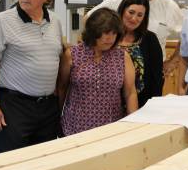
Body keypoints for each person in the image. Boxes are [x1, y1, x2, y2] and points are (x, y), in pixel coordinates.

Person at [0, 0, 64, 154]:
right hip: (15, 106)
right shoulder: (2, 21)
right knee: (11, 162)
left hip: (47, 107)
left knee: (43, 161)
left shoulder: (56, 22)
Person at [86, 0, 184, 72]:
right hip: (112, 68)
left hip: (151, 69)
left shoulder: (170, 7)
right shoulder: (118, 0)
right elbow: (88, 19)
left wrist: (173, 61)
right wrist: (94, 52)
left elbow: (187, 36)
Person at [58, 8, 138, 136]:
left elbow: (130, 93)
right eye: (105, 32)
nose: (110, 38)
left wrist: (133, 124)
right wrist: (57, 118)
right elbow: (61, 88)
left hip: (111, 128)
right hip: (74, 127)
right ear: (94, 31)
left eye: (114, 33)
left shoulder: (123, 57)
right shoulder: (73, 54)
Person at [117, 0, 163, 107]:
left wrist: (152, 107)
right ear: (122, 11)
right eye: (131, 12)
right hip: (110, 105)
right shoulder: (109, 37)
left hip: (142, 105)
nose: (134, 18)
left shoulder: (150, 40)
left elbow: (156, 80)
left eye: (139, 15)